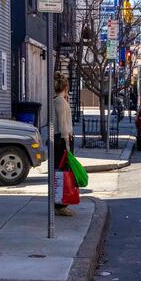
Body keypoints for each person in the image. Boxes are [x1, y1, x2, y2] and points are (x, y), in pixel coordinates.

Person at [51, 74, 75, 216]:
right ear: (65, 86)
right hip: (62, 141)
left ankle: (60, 203)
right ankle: (61, 205)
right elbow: (63, 124)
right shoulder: (60, 101)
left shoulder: (57, 100)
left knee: (61, 173)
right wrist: (67, 144)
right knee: (63, 174)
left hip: (59, 140)